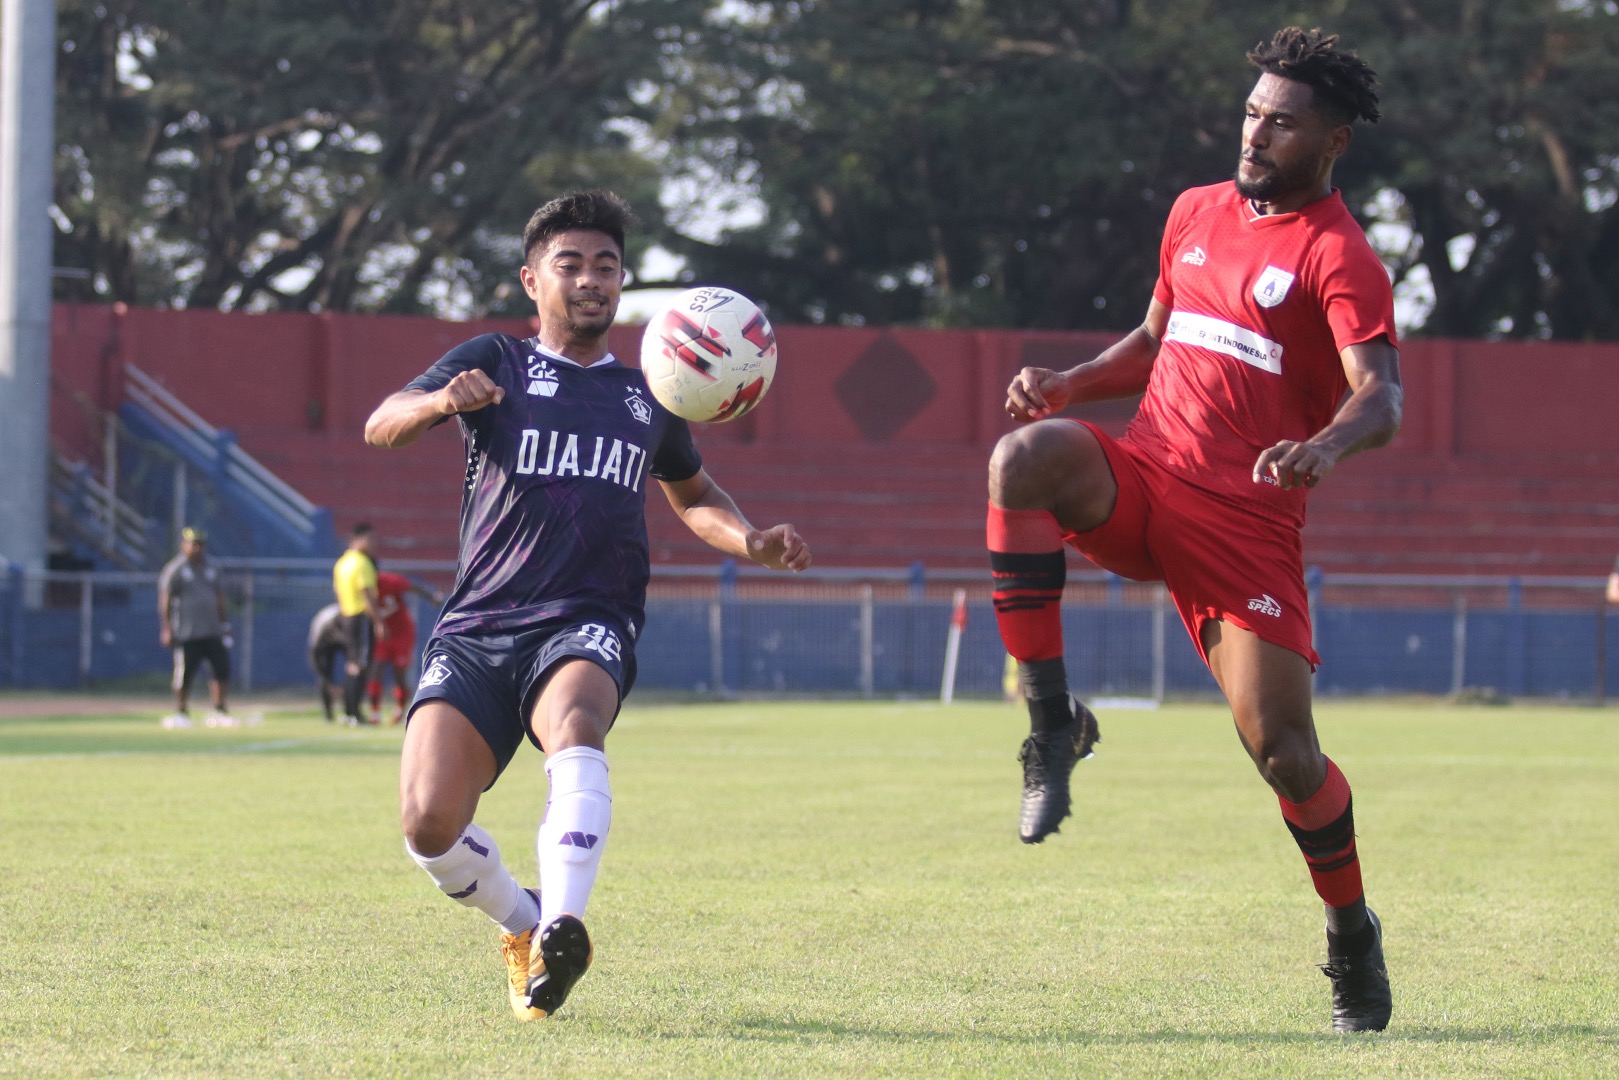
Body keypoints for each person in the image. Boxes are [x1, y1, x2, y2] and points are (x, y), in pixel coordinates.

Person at [986, 27, 1400, 1033]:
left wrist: (1322, 448)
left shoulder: (1336, 256)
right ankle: (1051, 725)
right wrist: (1069, 382)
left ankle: (1348, 932)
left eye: (1282, 122)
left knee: (1286, 758)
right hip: (1143, 478)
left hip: (1243, 529)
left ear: (1331, 140)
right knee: (1023, 459)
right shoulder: (1194, 212)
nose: (1256, 133)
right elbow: (1157, 339)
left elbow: (1379, 399)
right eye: (1252, 112)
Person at [363, 190, 811, 1021]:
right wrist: (436, 405)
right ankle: (526, 922)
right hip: (478, 628)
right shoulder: (494, 361)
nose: (590, 279)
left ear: (623, 282)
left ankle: (568, 920)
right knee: (426, 825)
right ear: (532, 280)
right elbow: (380, 423)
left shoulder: (651, 396)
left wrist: (751, 541)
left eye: (606, 266)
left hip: (587, 618)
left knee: (573, 723)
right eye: (570, 265)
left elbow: (694, 494)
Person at [157, 526, 235, 728]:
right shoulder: (176, 570)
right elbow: (165, 601)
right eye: (193, 544)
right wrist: (167, 628)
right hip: (187, 632)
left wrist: (224, 624)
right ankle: (181, 711)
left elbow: (219, 599)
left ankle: (219, 709)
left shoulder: (212, 569)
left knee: (221, 670)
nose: (197, 549)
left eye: (200, 545)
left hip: (212, 631)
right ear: (184, 545)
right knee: (184, 674)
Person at [366, 570, 445, 725]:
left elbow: (412, 586)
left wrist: (432, 597)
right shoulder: (361, 590)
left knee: (399, 673)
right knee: (376, 670)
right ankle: (375, 712)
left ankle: (400, 709)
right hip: (383, 635)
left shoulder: (388, 581)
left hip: (402, 633)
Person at [331, 523, 384, 725]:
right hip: (360, 617)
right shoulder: (362, 563)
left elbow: (337, 591)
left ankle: (348, 712)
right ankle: (354, 712)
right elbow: (367, 596)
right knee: (360, 666)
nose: (373, 544)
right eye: (370, 540)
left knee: (352, 664)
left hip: (346, 616)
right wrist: (379, 622)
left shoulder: (342, 563)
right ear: (357, 540)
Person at [307, 602, 347, 722]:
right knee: (323, 678)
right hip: (320, 645)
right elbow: (317, 665)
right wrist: (330, 685)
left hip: (334, 640)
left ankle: (350, 709)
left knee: (355, 669)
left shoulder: (346, 616)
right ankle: (328, 713)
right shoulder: (329, 621)